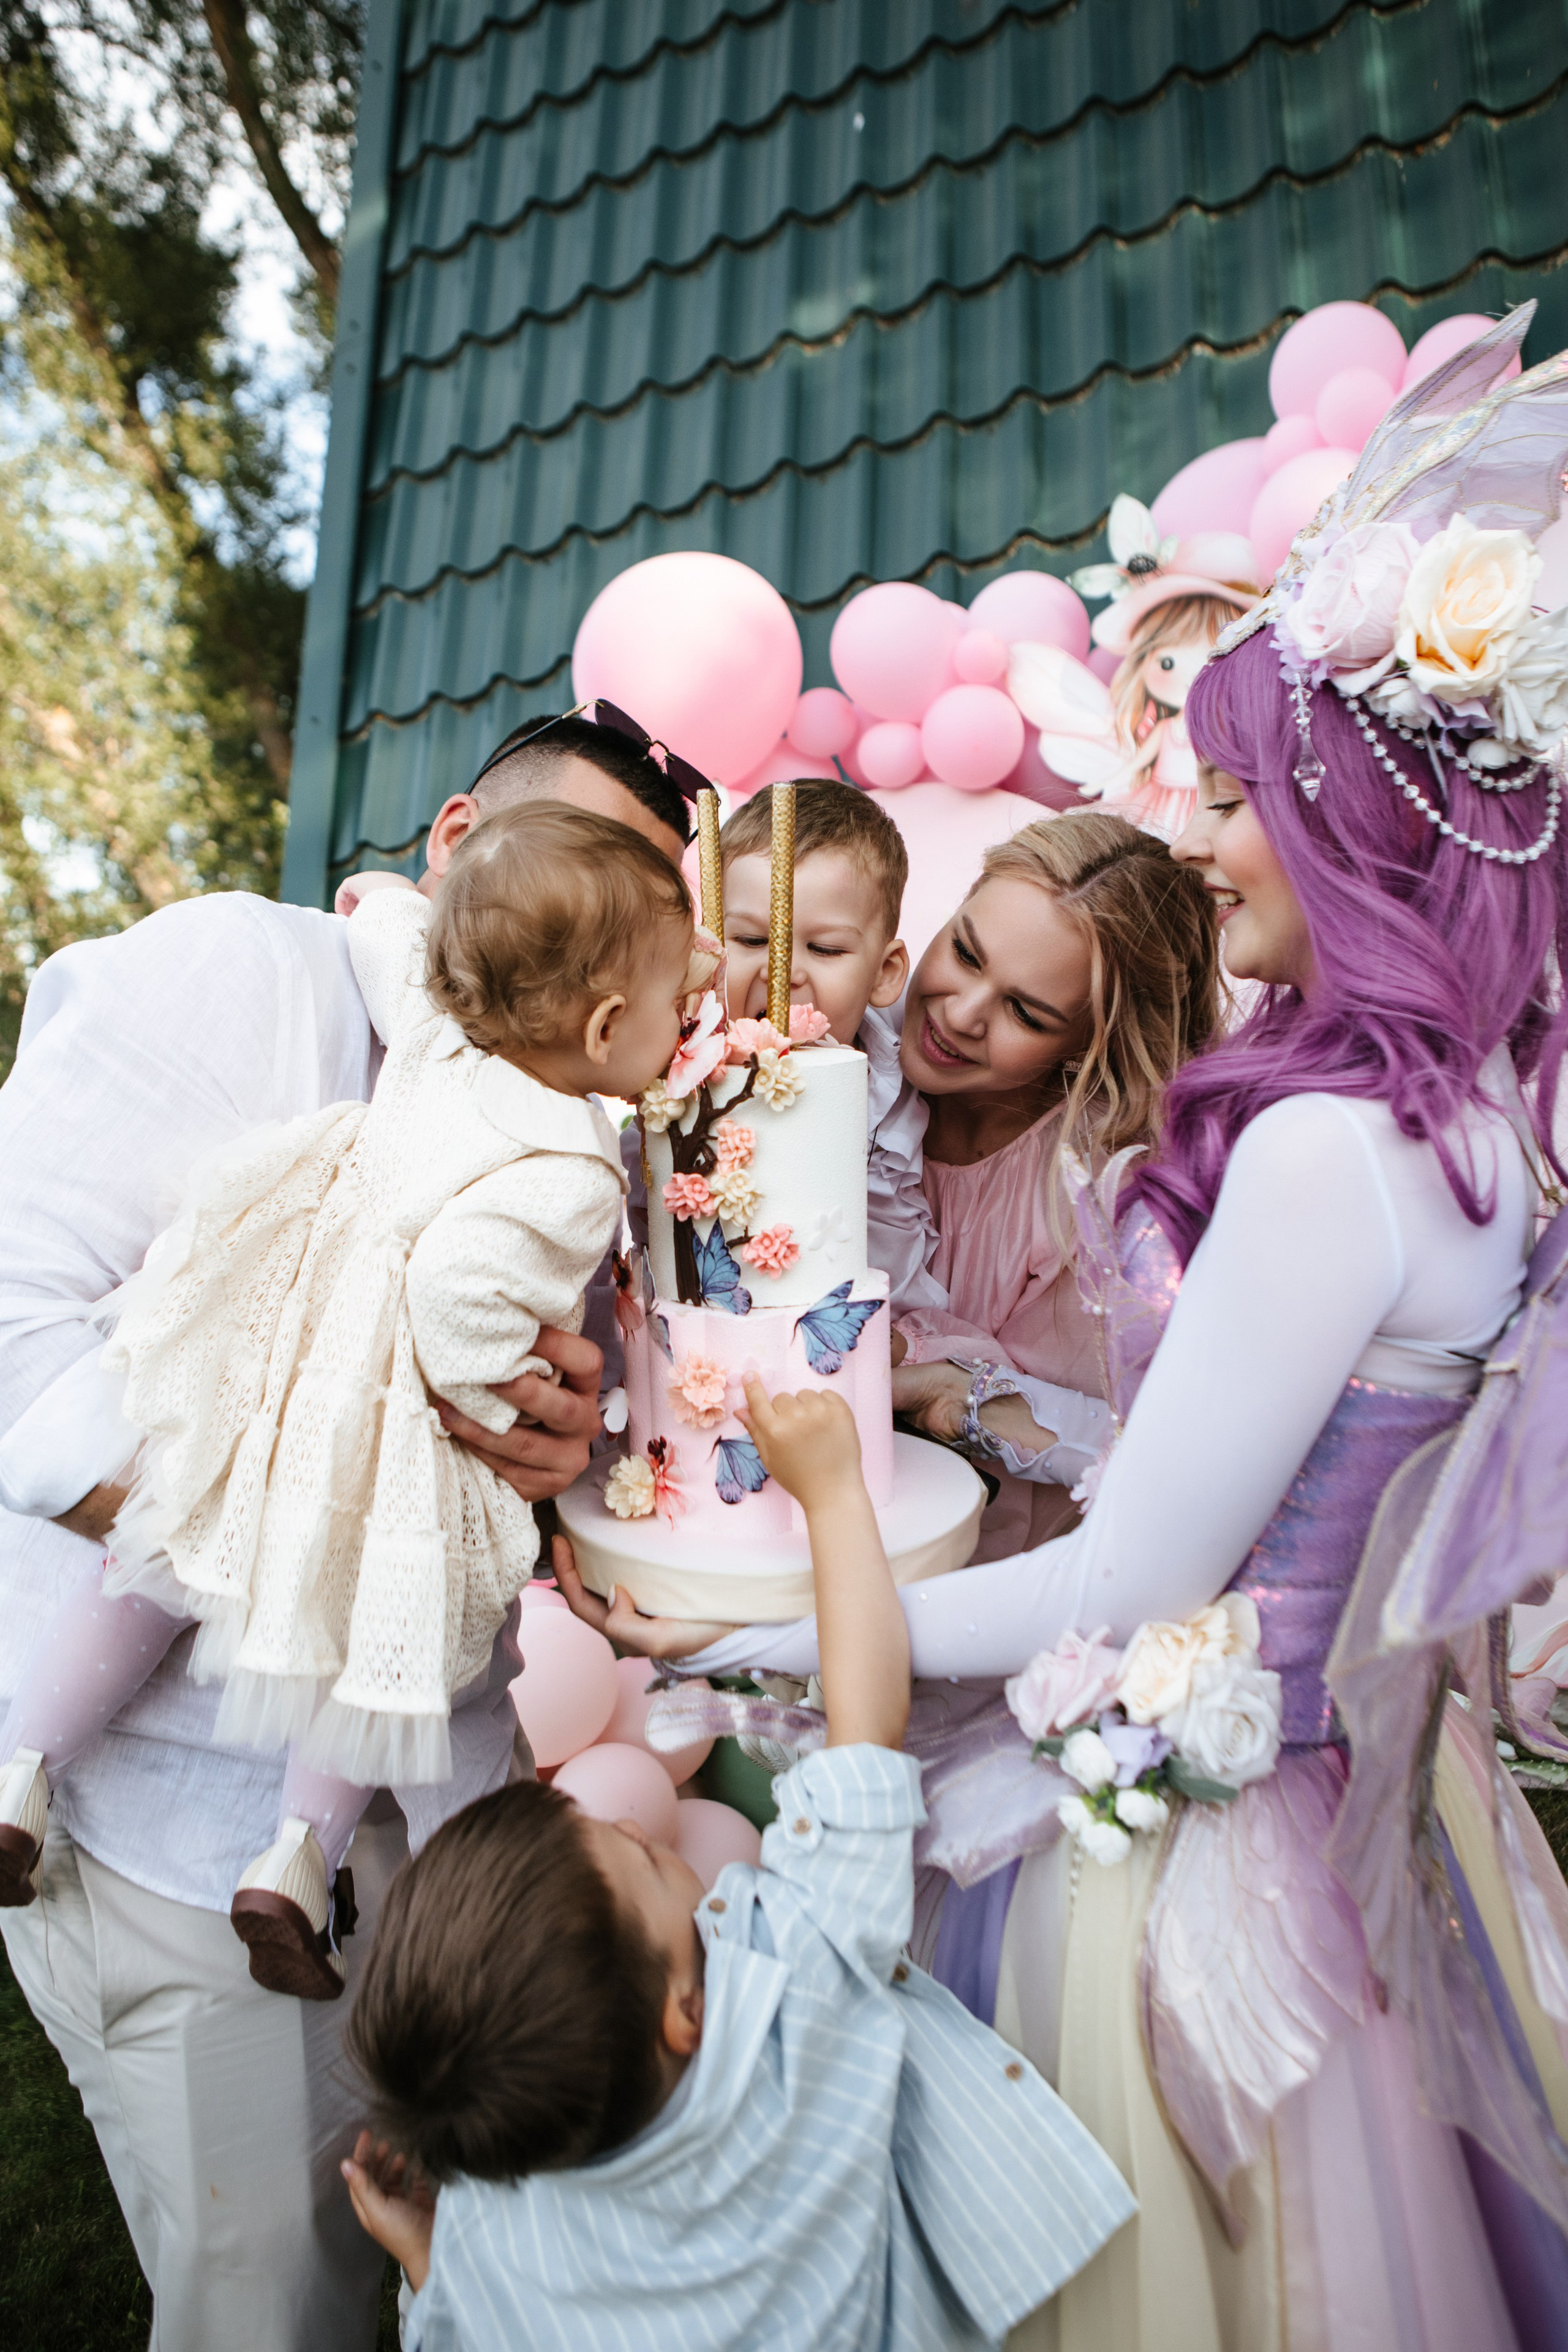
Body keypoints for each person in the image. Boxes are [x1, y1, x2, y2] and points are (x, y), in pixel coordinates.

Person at [656, 312, 1568, 2347]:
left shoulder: (1330, 1156)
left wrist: (758, 1631)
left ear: (1361, 829)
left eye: (1244, 798)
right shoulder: (1497, 1145)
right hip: (1392, 1818)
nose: (1209, 833)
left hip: (1209, 1857)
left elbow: (1140, 1574)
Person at [0, 707, 688, 2348]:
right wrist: (341, 1500)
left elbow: (529, 1424)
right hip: (180, 1818)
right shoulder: (229, 979)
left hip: (430, 1796)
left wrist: (556, 1433)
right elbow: (12, 1350)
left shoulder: (577, 1112)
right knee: (281, 2303)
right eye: (570, 872)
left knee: (456, 2266)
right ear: (455, 845)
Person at [343, 1379, 1136, 2351]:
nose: (638, 1830)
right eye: (632, 1856)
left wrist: (438, 2266)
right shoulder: (794, 2009)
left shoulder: (505, 2220)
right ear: (687, 2013)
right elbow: (865, 1734)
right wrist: (836, 1494)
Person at [888, 812, 1222, 1558]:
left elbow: (1149, 1453)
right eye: (965, 953)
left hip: (993, 1579)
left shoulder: (1097, 1194)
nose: (960, 1014)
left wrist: (953, 1393)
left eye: (1025, 1012)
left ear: (1091, 1040)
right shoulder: (840, 1061)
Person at [715, 777, 945, 1313]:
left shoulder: (902, 1083)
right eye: (752, 940)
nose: (783, 974)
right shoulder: (682, 1072)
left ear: (885, 973)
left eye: (825, 948)